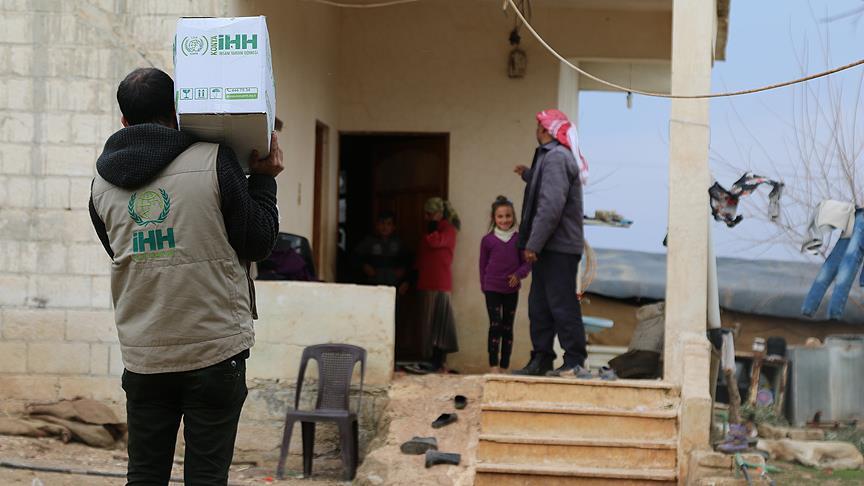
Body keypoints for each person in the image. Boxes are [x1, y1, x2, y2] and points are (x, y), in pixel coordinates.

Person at [88, 67, 282, 484]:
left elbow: (124, 255)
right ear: (178, 110)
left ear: (124, 121)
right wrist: (264, 182)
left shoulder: (100, 186)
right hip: (214, 350)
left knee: (144, 475)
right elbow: (257, 242)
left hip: (145, 355)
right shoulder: (214, 160)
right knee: (206, 478)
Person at [512, 109, 590, 378]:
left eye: (538, 127)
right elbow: (544, 185)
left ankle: (574, 361)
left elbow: (551, 206)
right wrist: (528, 174)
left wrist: (533, 243)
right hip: (551, 246)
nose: (536, 131)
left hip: (558, 247)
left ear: (546, 130)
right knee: (540, 306)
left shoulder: (556, 157)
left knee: (561, 304)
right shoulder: (551, 157)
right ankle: (542, 358)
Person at [479, 196, 532, 373]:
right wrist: (484, 286)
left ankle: (504, 367)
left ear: (513, 216)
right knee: (495, 325)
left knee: (508, 327)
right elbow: (482, 265)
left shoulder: (519, 239)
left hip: (511, 290)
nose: (504, 220)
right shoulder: (487, 240)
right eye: (500, 216)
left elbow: (527, 263)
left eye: (508, 216)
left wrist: (518, 275)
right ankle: (493, 366)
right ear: (494, 218)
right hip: (492, 289)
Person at [413, 197, 461, 373]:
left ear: (440, 213)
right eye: (426, 214)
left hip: (440, 282)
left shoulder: (448, 229)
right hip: (426, 282)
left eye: (430, 214)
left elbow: (434, 242)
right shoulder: (429, 230)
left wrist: (433, 226)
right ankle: (430, 360)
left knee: (441, 326)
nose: (427, 217)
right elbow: (421, 257)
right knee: (428, 325)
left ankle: (438, 361)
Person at [353, 210, 410, 288]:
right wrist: (364, 266)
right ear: (377, 225)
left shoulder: (399, 242)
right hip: (373, 283)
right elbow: (355, 257)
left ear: (394, 227)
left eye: (389, 224)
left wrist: (404, 274)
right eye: (382, 223)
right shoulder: (369, 241)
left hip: (393, 284)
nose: (385, 227)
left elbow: (408, 261)